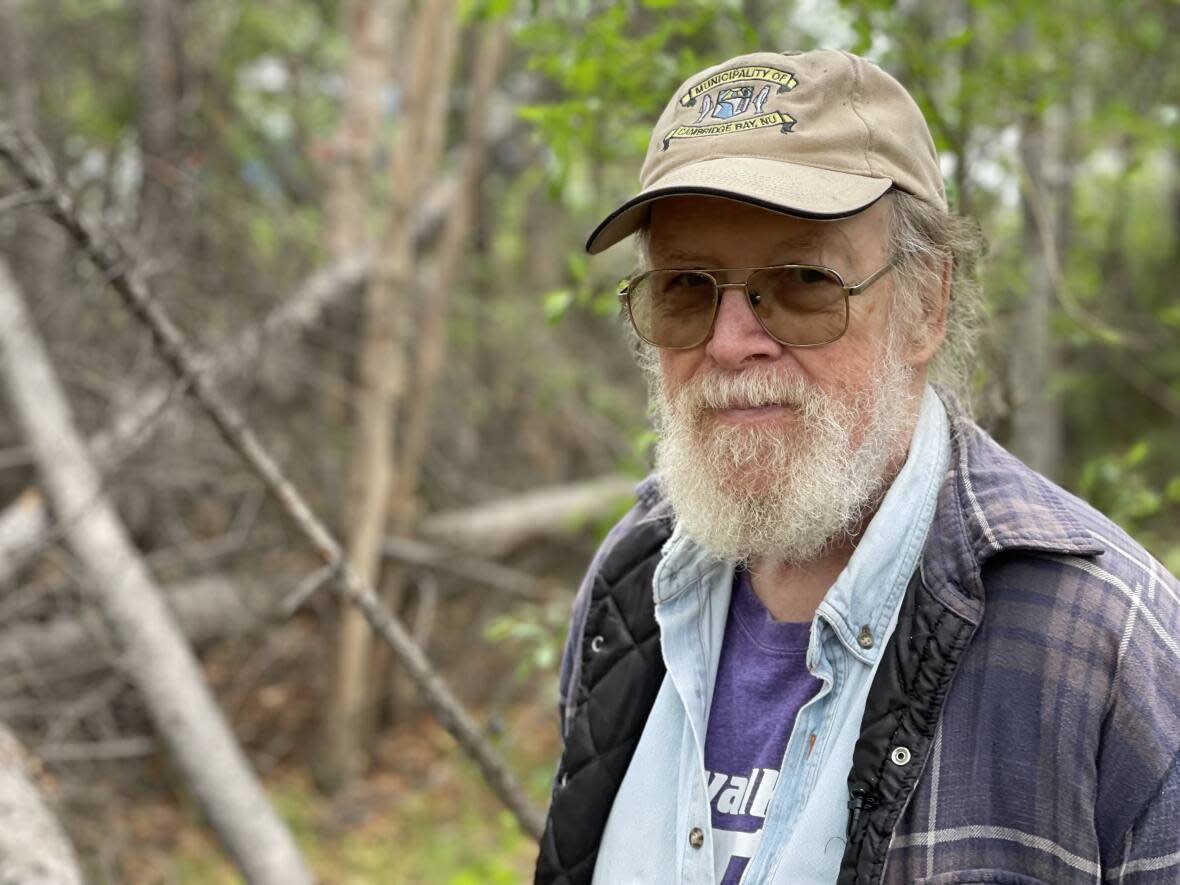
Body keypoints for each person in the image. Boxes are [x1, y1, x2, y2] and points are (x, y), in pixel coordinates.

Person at [533, 50, 1180, 885]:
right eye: (686, 287)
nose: (731, 342)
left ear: (926, 304)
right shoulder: (629, 587)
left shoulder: (1104, 643)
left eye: (804, 281)